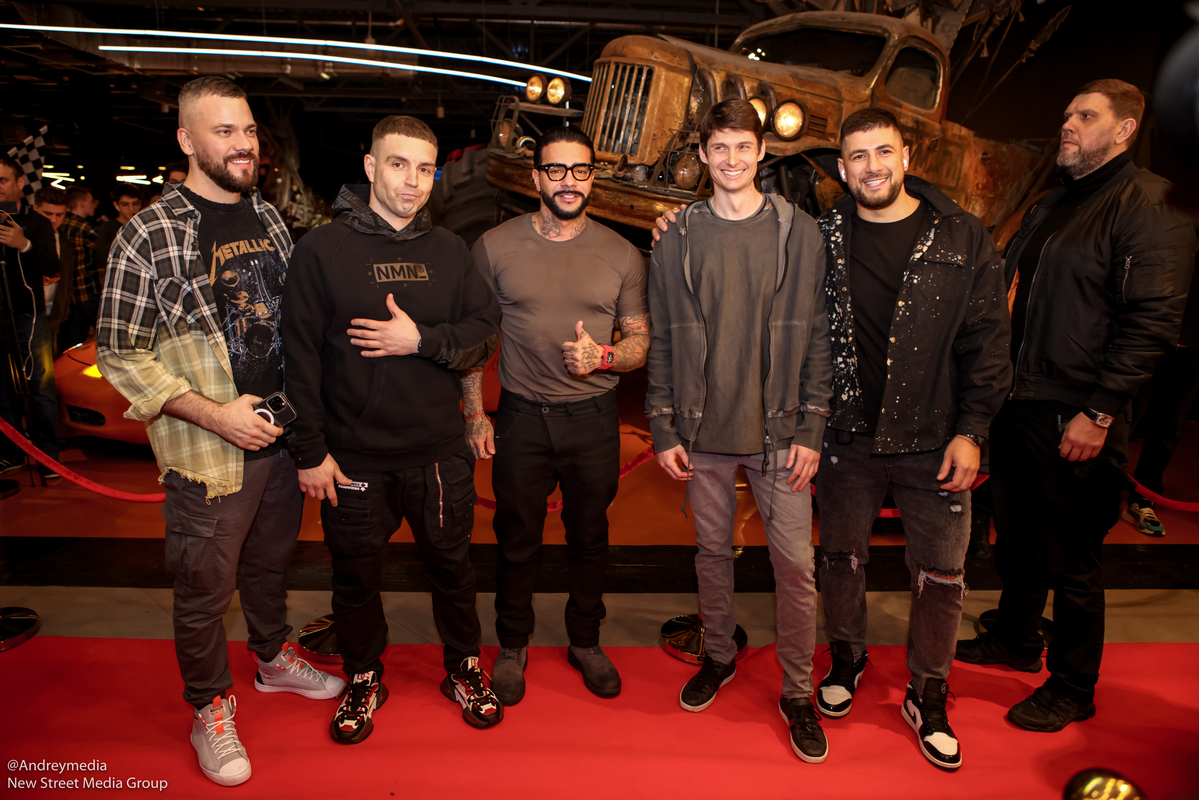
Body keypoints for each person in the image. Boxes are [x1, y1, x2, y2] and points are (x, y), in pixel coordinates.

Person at [97, 76, 344, 788]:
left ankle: (271, 659)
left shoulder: (266, 215)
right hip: (210, 451)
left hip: (282, 438)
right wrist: (215, 413)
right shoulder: (149, 233)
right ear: (186, 140)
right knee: (205, 586)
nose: (244, 145)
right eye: (224, 131)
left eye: (250, 131)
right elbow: (119, 352)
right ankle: (209, 706)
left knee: (268, 564)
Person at [956, 79, 1197, 732]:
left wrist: (1100, 412)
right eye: (1066, 114)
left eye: (1085, 116)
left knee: (1072, 561)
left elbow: (1151, 323)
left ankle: (1071, 686)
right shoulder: (1054, 204)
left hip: (1080, 412)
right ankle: (1015, 638)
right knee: (1018, 542)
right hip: (1021, 403)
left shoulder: (1148, 204)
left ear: (1124, 129)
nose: (1067, 124)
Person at [281, 115, 504, 744]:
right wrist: (309, 451)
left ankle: (464, 669)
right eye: (398, 164)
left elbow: (483, 333)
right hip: (352, 458)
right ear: (371, 166)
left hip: (437, 454)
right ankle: (363, 676)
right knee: (355, 578)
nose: (412, 181)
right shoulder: (322, 250)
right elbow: (299, 359)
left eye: (425, 168)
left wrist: (421, 341)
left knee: (454, 570)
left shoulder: (450, 251)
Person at [811, 108, 1011, 770]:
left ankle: (928, 692)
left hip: (935, 440)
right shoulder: (821, 236)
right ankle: (847, 657)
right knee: (839, 559)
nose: (871, 166)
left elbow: (987, 340)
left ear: (905, 157)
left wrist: (973, 430)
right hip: (845, 438)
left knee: (942, 576)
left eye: (883, 152)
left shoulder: (960, 233)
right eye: (857, 156)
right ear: (843, 170)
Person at [647, 99, 833, 763]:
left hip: (781, 434)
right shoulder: (676, 236)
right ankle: (720, 656)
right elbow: (663, 339)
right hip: (701, 432)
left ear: (761, 153)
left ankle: (797, 692)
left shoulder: (798, 233)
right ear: (703, 154)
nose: (731, 160)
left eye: (742, 147)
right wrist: (662, 424)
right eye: (718, 147)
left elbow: (818, 337)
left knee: (795, 567)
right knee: (710, 553)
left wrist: (812, 426)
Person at [464, 125, 649, 705]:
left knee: (589, 536)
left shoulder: (622, 254)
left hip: (592, 419)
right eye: (556, 169)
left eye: (580, 170)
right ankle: (512, 644)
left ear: (593, 177)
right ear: (536, 176)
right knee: (516, 536)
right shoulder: (493, 247)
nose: (569, 181)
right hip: (522, 416)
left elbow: (640, 340)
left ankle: (585, 642)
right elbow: (474, 341)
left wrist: (605, 357)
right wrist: (474, 414)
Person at [0, 154, 61, 477]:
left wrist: (24, 245)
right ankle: (10, 452)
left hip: (29, 314)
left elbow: (52, 266)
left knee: (40, 384)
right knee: (2, 389)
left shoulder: (36, 222)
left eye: (2, 180)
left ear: (19, 182)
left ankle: (48, 454)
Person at [32, 187, 75, 356]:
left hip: (53, 314)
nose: (54, 220)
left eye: (59, 215)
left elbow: (68, 279)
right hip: (27, 313)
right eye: (48, 213)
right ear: (35, 209)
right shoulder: (24, 236)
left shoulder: (65, 241)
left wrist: (64, 310)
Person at [57, 186, 100, 350]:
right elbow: (106, 253)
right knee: (106, 335)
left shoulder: (62, 223)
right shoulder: (85, 228)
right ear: (81, 203)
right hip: (87, 288)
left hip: (68, 291)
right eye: (91, 201)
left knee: (73, 341)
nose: (94, 204)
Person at [93, 185, 143, 269]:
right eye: (125, 204)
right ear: (116, 205)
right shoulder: (107, 227)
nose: (131, 208)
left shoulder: (145, 226)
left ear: (140, 203)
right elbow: (101, 257)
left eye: (135, 204)